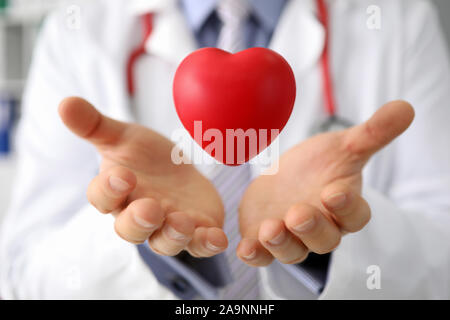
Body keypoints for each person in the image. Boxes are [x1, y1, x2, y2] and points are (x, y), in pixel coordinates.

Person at [1, 0, 449, 299]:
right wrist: (135, 229)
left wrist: (331, 242)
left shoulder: (397, 16)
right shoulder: (79, 24)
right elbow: (24, 277)